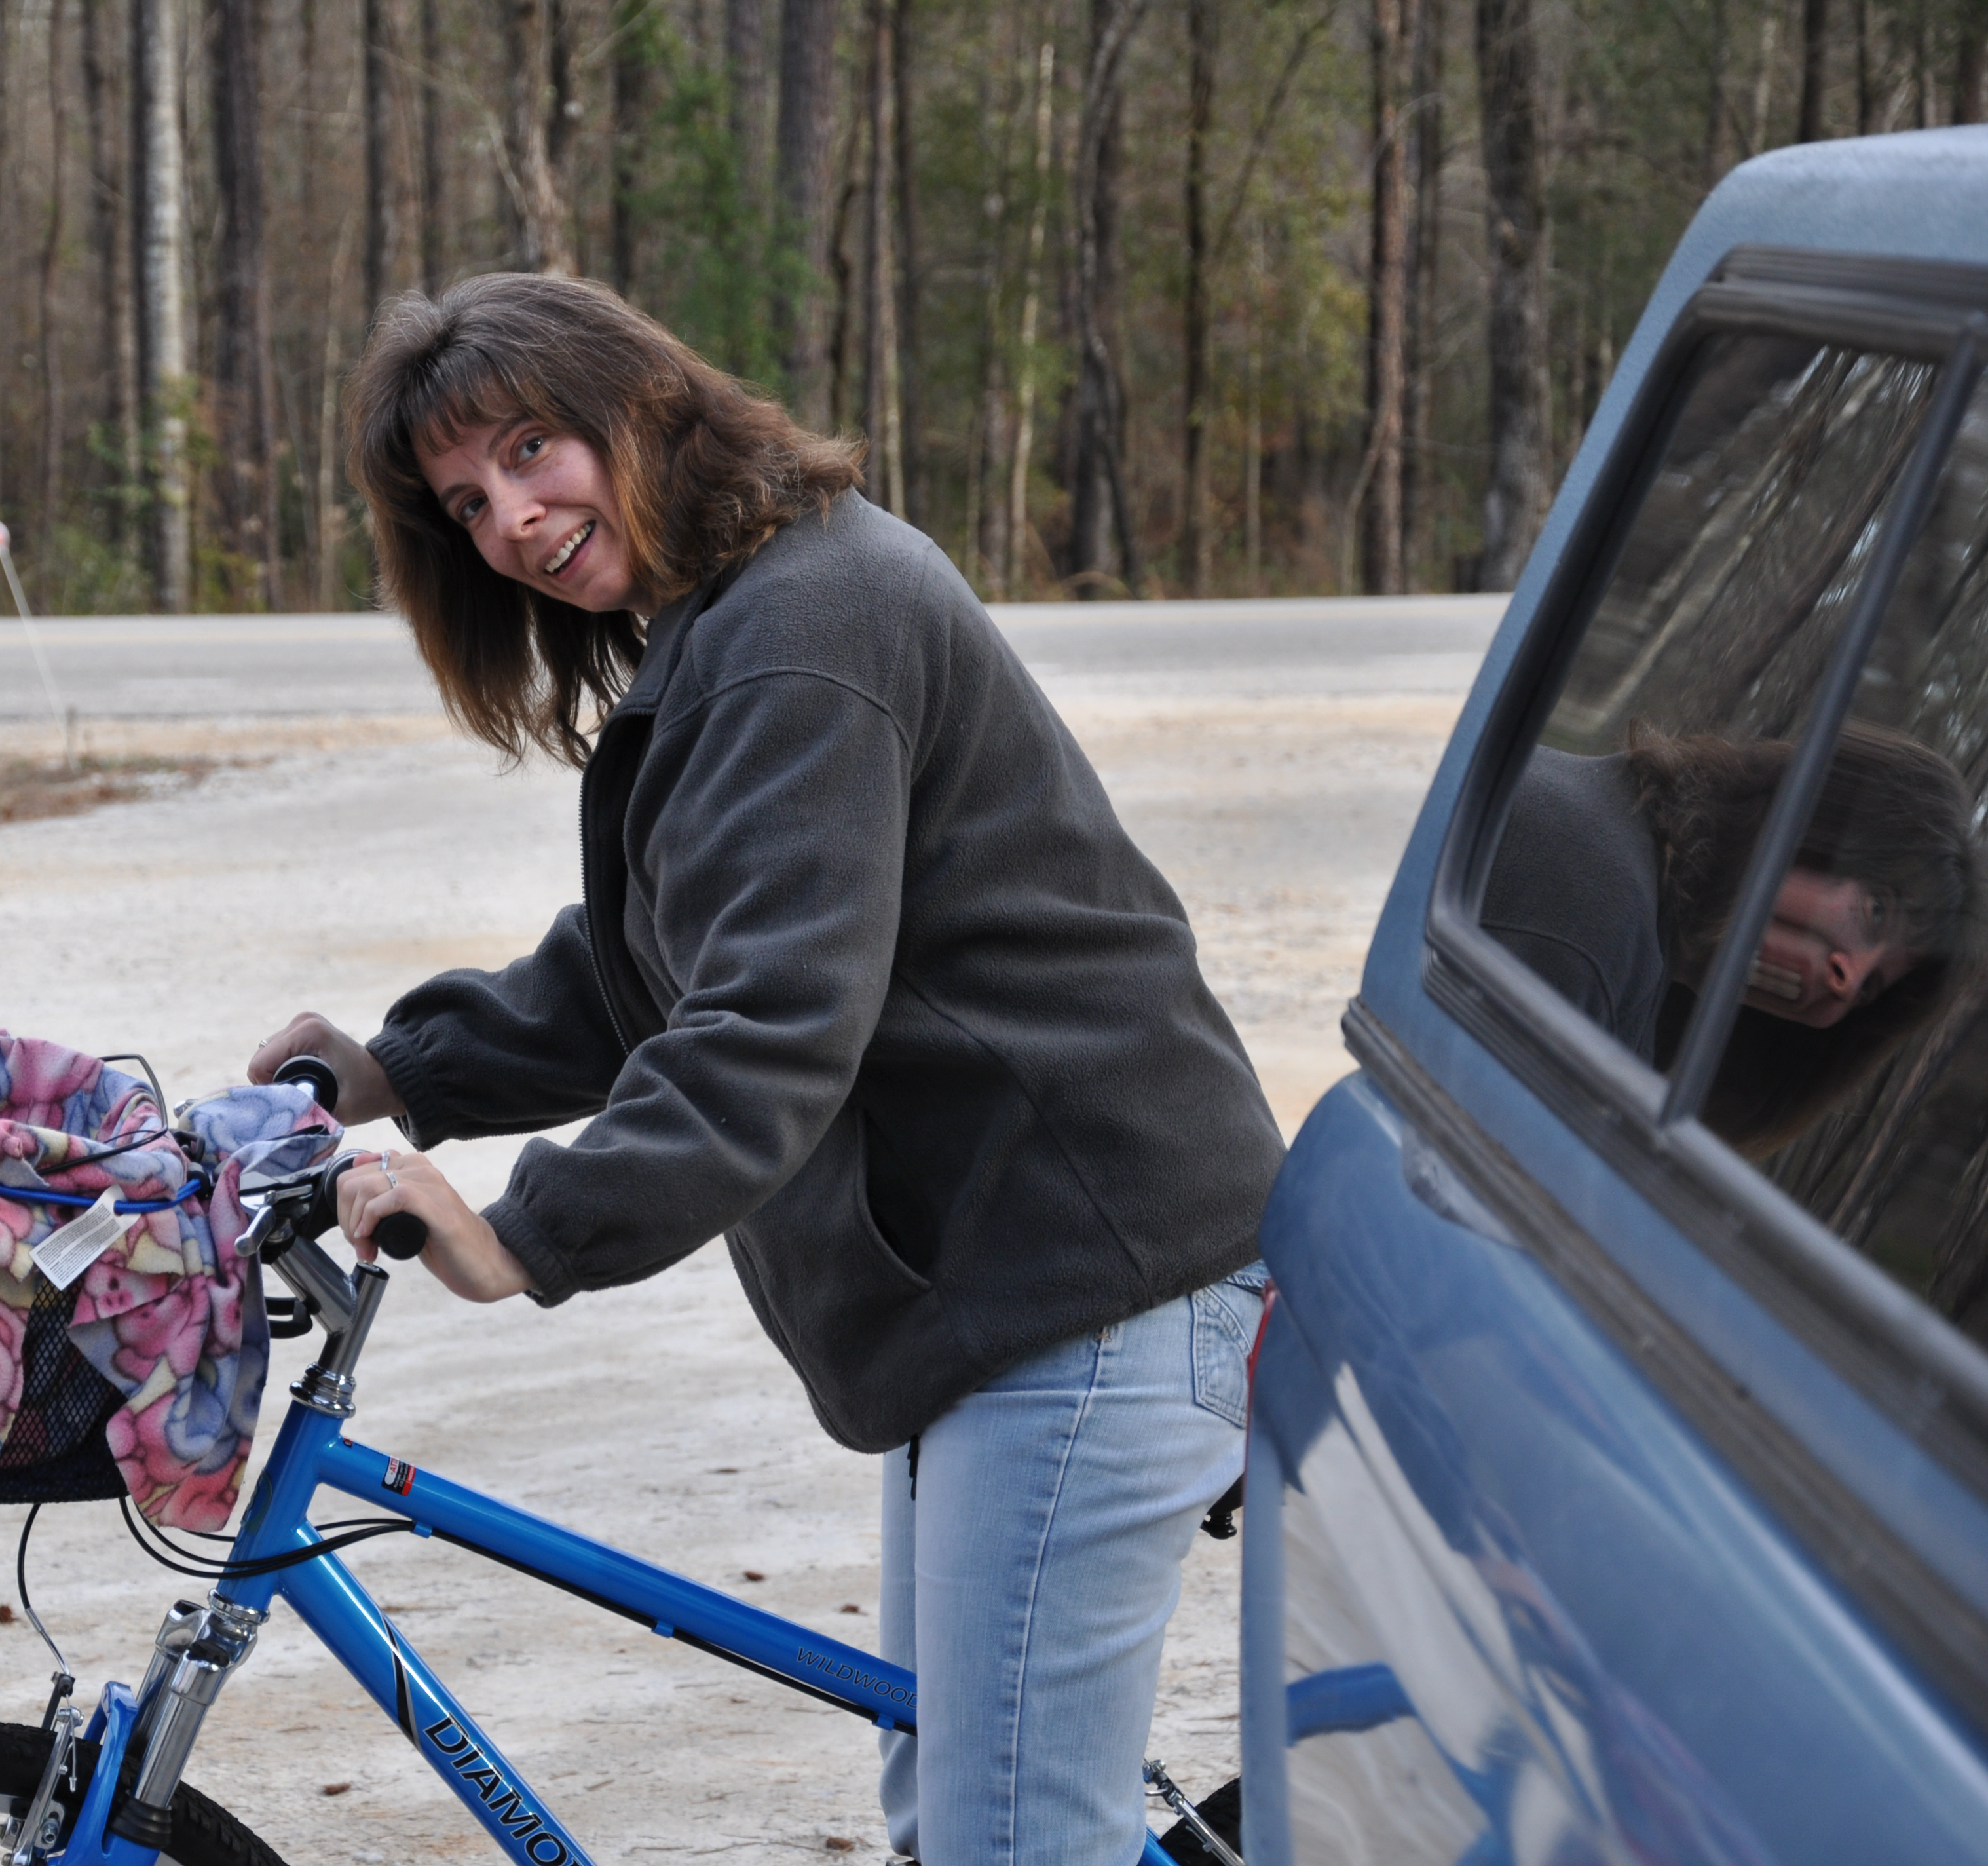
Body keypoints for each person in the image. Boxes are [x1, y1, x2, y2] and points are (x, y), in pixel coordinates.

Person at [250, 272, 1282, 1864]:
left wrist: (523, 1231)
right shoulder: (735, 613)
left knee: (1010, 1833)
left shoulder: (802, 626)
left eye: (535, 449)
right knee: (952, 1808)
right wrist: (395, 1066)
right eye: (467, 499)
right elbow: (659, 955)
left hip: (1088, 1289)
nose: (515, 518)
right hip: (999, 1291)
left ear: (641, 403)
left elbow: (769, 1020)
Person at [1482, 723, 1976, 1154]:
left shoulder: (1622, 846)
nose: (1848, 982)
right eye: (1875, 910)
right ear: (1815, 819)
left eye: (1872, 988)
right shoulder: (1593, 922)